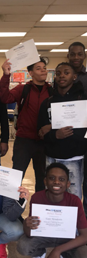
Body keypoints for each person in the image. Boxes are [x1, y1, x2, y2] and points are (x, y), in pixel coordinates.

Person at [17, 163, 87, 258]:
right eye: (52, 178)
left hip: (66, 238)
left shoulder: (75, 201)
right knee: (23, 246)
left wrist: (57, 250)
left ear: (68, 183)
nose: (56, 182)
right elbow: (30, 234)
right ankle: (39, 254)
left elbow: (85, 236)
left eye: (62, 179)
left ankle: (66, 257)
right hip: (43, 236)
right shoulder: (37, 197)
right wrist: (26, 224)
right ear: (45, 181)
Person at [0, 57, 53, 191]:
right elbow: (5, 98)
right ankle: (12, 209)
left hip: (44, 141)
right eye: (38, 68)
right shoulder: (23, 89)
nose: (43, 71)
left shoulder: (53, 91)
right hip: (24, 141)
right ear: (30, 73)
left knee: (42, 178)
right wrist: (6, 76)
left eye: (44, 68)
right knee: (16, 177)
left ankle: (39, 209)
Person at [38, 62, 87, 200]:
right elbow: (41, 133)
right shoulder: (48, 103)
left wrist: (52, 128)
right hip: (52, 158)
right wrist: (55, 134)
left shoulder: (82, 102)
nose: (62, 76)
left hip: (74, 158)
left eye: (66, 73)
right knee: (52, 197)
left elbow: (83, 133)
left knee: (73, 198)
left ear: (74, 76)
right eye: (58, 73)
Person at [67, 42, 87, 217]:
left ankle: (84, 221)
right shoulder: (62, 77)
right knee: (71, 183)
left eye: (79, 54)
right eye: (72, 54)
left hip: (85, 135)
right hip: (68, 139)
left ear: (84, 56)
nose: (76, 57)